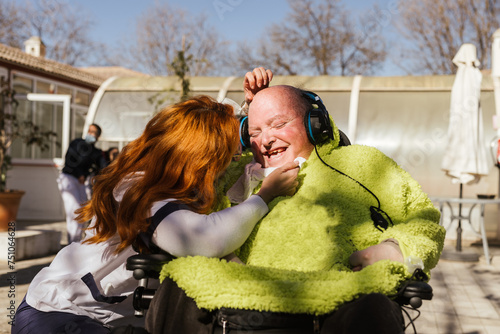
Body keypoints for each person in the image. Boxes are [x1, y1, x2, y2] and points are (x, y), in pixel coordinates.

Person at [146, 68, 446, 334]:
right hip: (234, 303)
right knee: (177, 286)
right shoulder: (233, 172)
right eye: (255, 131)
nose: (265, 139)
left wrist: (393, 249)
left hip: (334, 299)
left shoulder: (360, 164)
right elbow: (199, 224)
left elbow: (422, 218)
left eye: (278, 124)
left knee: (372, 308)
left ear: (315, 124)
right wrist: (248, 104)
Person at [11, 95, 299, 334]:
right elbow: (203, 240)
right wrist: (265, 196)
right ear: (201, 155)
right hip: (56, 315)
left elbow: (206, 118)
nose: (233, 161)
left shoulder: (173, 183)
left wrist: (250, 108)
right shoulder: (140, 186)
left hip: (102, 320)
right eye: (227, 156)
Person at [58, 123, 107, 244]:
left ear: (98, 136)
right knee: (74, 209)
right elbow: (70, 159)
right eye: (89, 131)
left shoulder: (95, 152)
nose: (90, 134)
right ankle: (73, 242)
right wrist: (79, 173)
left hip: (81, 182)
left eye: (94, 132)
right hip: (69, 178)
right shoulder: (77, 143)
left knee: (83, 210)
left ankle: (78, 240)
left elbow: (101, 165)